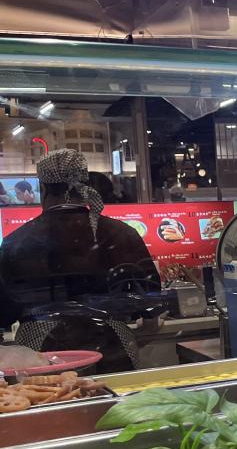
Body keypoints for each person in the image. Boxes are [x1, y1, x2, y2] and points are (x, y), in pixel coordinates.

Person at [0, 150, 159, 367]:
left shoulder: (16, 242)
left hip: (40, 353)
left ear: (43, 188)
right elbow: (150, 302)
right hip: (113, 347)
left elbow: (4, 312)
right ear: (85, 184)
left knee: (51, 390)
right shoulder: (122, 233)